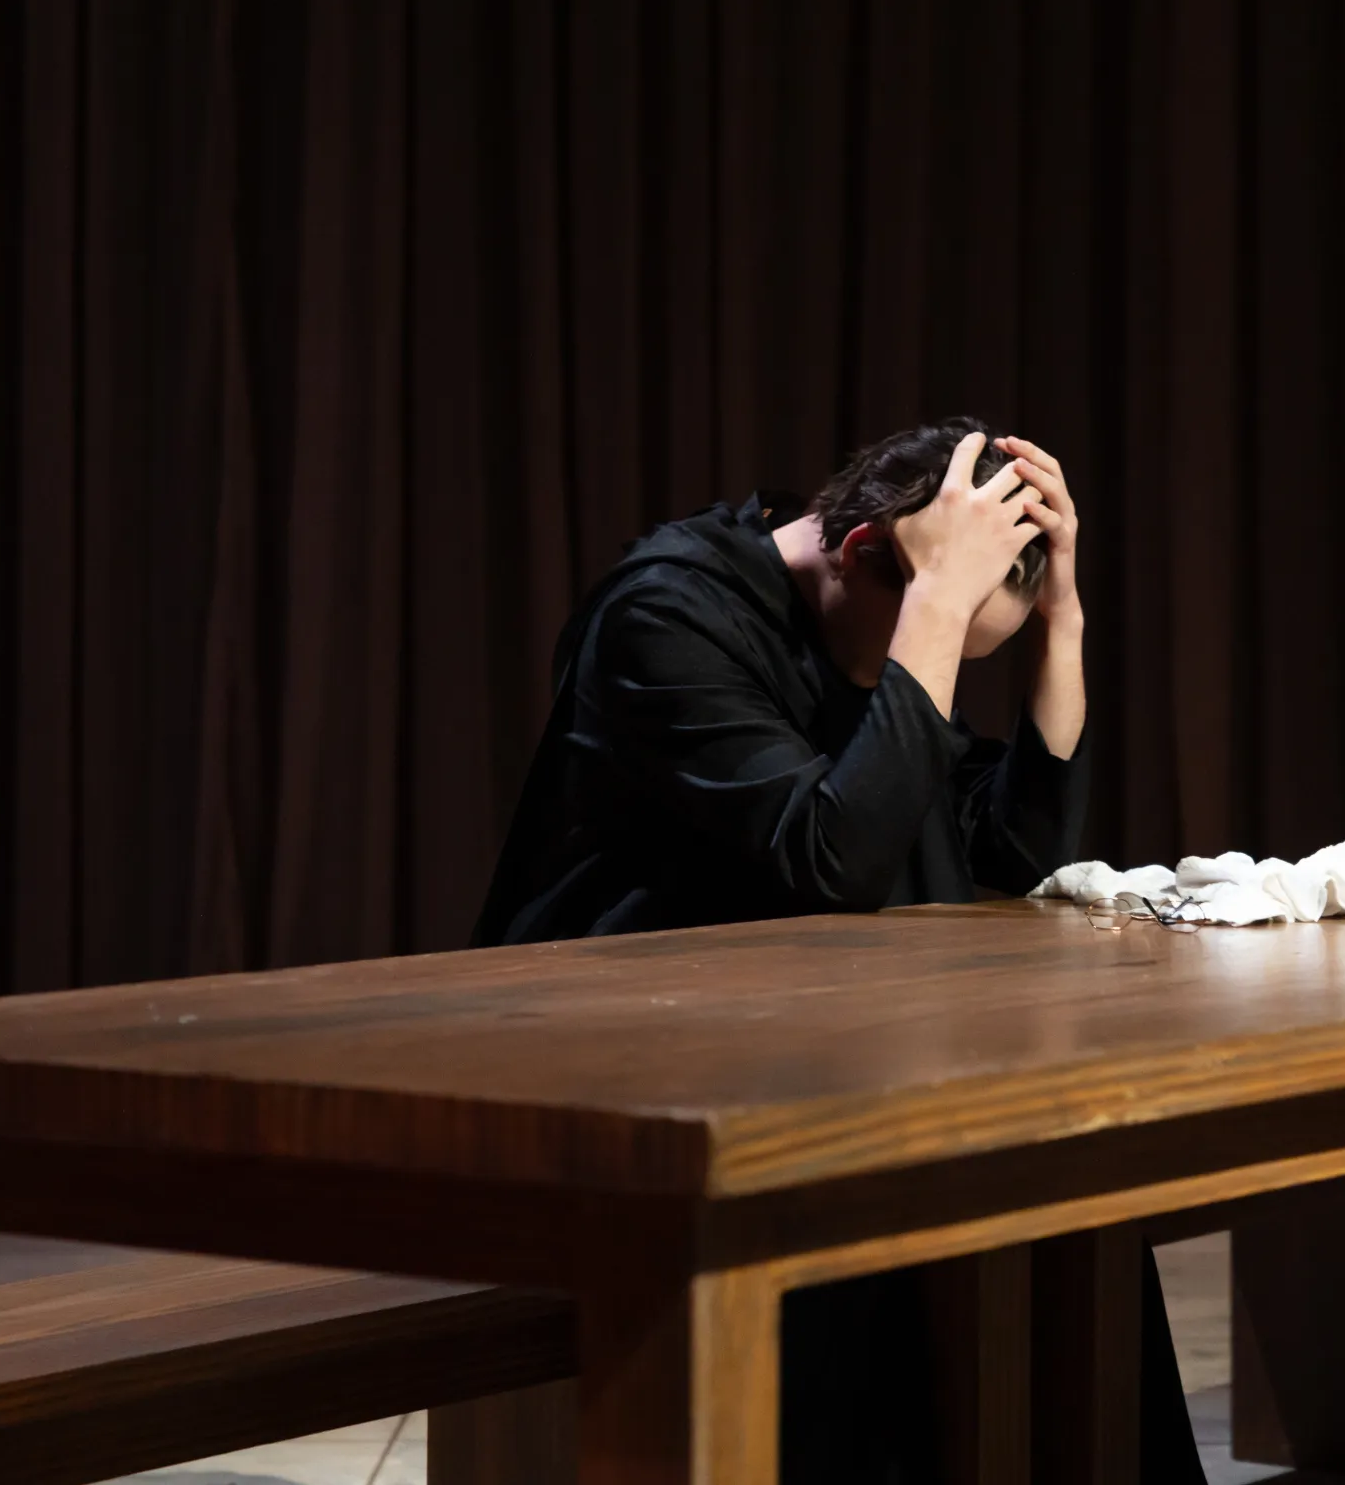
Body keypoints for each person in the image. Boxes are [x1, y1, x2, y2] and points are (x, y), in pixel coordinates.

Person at [475, 421, 1205, 1483]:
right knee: (887, 1207)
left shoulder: (864, 619)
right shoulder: (667, 615)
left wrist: (1061, 624)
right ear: (860, 552)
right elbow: (832, 856)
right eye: (931, 630)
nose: (929, 669)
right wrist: (934, 612)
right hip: (614, 1058)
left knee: (1068, 1188)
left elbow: (1019, 844)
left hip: (795, 1039)